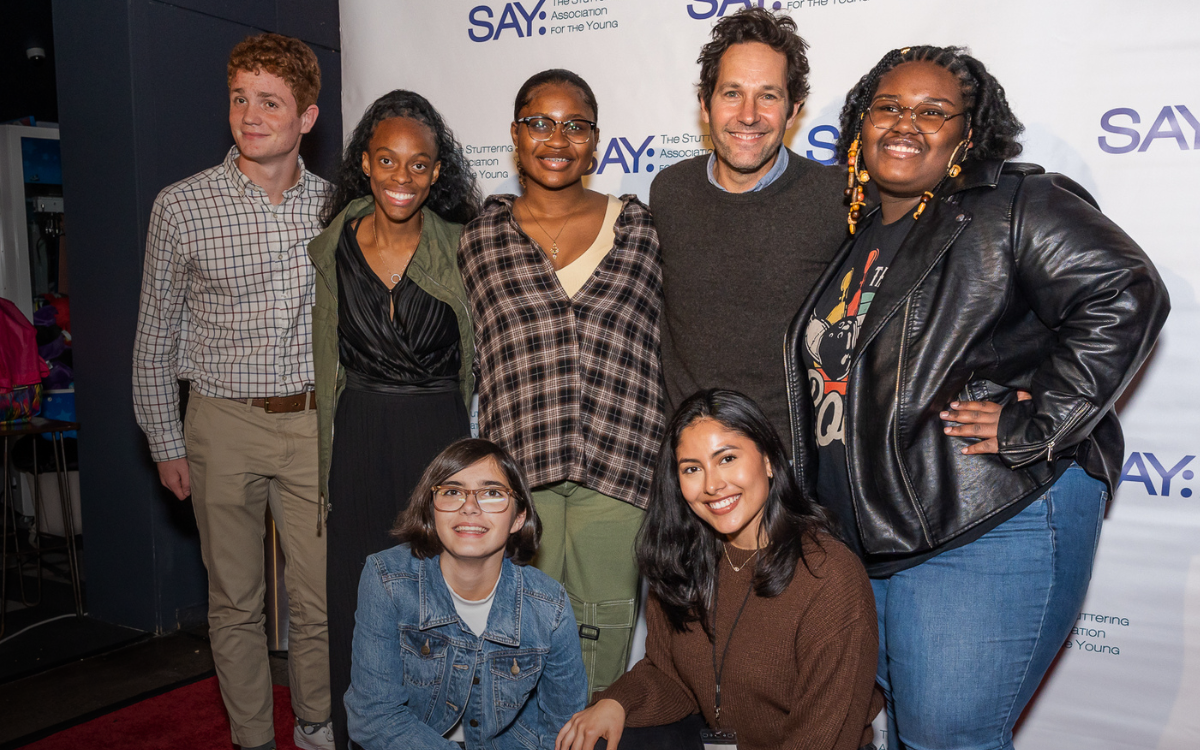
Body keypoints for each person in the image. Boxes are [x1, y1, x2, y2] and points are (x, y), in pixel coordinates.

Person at [784, 46, 1170, 750]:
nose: (907, 124)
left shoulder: (1011, 203)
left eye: (934, 112)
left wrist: (1040, 422)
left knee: (945, 738)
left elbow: (1123, 289)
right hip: (881, 535)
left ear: (968, 133)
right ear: (860, 123)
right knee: (907, 733)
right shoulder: (865, 235)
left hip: (984, 516)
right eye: (890, 107)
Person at [132, 33, 334, 750]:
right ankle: (253, 739)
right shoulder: (181, 206)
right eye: (240, 98)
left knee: (318, 599)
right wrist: (165, 440)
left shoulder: (337, 207)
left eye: (270, 102)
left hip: (313, 426)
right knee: (235, 603)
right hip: (219, 424)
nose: (251, 115)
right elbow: (154, 335)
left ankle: (315, 726)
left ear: (306, 116)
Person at [459, 70, 664, 697]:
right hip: (519, 474)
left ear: (595, 141)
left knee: (603, 642)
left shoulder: (643, 230)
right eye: (540, 123)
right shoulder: (477, 238)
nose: (557, 138)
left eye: (575, 125)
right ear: (516, 136)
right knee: (515, 640)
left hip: (621, 468)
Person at [556, 390, 878, 750]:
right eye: (692, 469)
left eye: (726, 458)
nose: (712, 485)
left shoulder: (829, 575)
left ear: (769, 460)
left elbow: (825, 736)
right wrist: (617, 702)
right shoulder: (683, 559)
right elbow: (671, 676)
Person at [308, 90, 480, 750]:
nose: (400, 178)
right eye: (387, 160)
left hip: (438, 434)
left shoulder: (464, 249)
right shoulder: (334, 247)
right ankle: (361, 737)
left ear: (438, 173)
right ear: (366, 164)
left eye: (417, 164)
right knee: (354, 599)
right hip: (355, 432)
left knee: (433, 600)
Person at [651, 8, 846, 449]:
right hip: (691, 464)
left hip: (796, 466)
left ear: (794, 109)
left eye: (769, 96)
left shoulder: (837, 198)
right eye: (732, 93)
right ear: (705, 104)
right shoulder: (669, 191)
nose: (749, 114)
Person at [345, 438, 588, 749]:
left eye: (491, 493)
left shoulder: (549, 606)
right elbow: (374, 715)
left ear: (518, 517)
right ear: (432, 510)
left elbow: (561, 727)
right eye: (452, 492)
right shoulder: (387, 578)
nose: (470, 507)